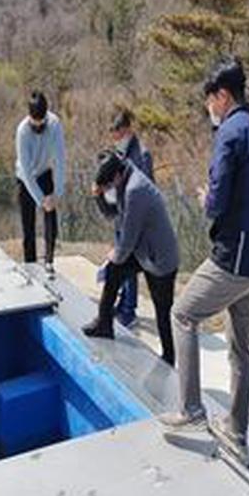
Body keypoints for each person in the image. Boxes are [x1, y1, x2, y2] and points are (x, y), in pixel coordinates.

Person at [159, 57, 249, 466]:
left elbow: (217, 203)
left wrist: (205, 198)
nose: (208, 107)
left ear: (223, 96)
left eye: (210, 99)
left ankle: (191, 409)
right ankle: (236, 430)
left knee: (182, 314)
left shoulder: (230, 132)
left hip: (233, 259)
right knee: (240, 347)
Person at [84, 150, 179, 366]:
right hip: (141, 250)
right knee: (113, 273)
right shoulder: (123, 176)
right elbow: (113, 214)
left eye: (109, 185)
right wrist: (98, 196)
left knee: (162, 310)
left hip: (160, 258)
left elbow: (128, 237)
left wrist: (115, 255)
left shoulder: (135, 189)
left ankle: (168, 357)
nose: (109, 189)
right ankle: (104, 324)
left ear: (117, 176)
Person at [109, 110, 155, 328]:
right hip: (121, 214)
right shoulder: (119, 152)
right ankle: (123, 302)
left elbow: (146, 188)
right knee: (121, 261)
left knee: (129, 264)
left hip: (135, 218)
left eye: (118, 134)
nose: (116, 139)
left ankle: (129, 309)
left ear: (127, 130)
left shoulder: (142, 154)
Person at [15, 90, 66, 278]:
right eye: (35, 123)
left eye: (41, 122)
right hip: (25, 178)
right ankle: (30, 265)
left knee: (51, 218)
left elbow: (60, 160)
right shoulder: (22, 131)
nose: (38, 126)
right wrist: (40, 199)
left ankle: (49, 261)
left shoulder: (54, 124)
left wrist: (56, 194)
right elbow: (27, 172)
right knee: (28, 225)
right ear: (29, 115)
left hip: (44, 172)